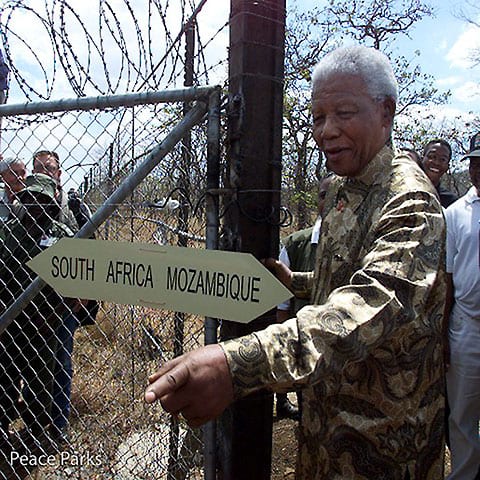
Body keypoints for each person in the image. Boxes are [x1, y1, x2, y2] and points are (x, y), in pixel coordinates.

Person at [145, 45, 446, 479]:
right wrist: (300, 281)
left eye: (343, 113)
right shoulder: (348, 185)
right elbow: (351, 275)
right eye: (318, 118)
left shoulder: (410, 201)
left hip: (384, 447)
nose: (326, 131)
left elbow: (368, 308)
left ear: (386, 112)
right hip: (326, 430)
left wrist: (236, 364)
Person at [0, 174, 73, 457]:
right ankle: (4, 430)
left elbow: (74, 285)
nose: (34, 205)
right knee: (5, 378)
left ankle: (35, 434)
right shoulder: (8, 233)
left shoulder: (62, 236)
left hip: (45, 324)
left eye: (41, 200)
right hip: (9, 324)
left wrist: (55, 316)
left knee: (41, 382)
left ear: (51, 203)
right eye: (29, 199)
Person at [30, 149, 97, 444]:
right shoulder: (27, 204)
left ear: (59, 173)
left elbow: (94, 252)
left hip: (63, 303)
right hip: (30, 304)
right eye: (39, 168)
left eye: (50, 168)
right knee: (32, 363)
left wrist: (84, 292)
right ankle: (34, 425)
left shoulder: (74, 207)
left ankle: (57, 428)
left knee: (60, 364)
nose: (45, 172)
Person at [275, 173, 334, 421]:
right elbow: (282, 304)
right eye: (323, 196)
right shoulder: (296, 244)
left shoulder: (367, 243)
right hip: (307, 347)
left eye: (336, 195)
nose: (329, 201)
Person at [444, 132, 480, 480]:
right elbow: (447, 280)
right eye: (475, 163)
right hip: (466, 328)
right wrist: (443, 338)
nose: (479, 169)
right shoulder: (455, 213)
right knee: (463, 416)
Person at [421, 139, 458, 208]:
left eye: (442, 159)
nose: (436, 163)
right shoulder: (405, 191)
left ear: (447, 167)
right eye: (432, 156)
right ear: (422, 159)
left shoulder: (452, 203)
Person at [0, 156, 26, 222]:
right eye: (14, 173)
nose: (20, 177)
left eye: (23, 173)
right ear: (2, 176)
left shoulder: (33, 198)